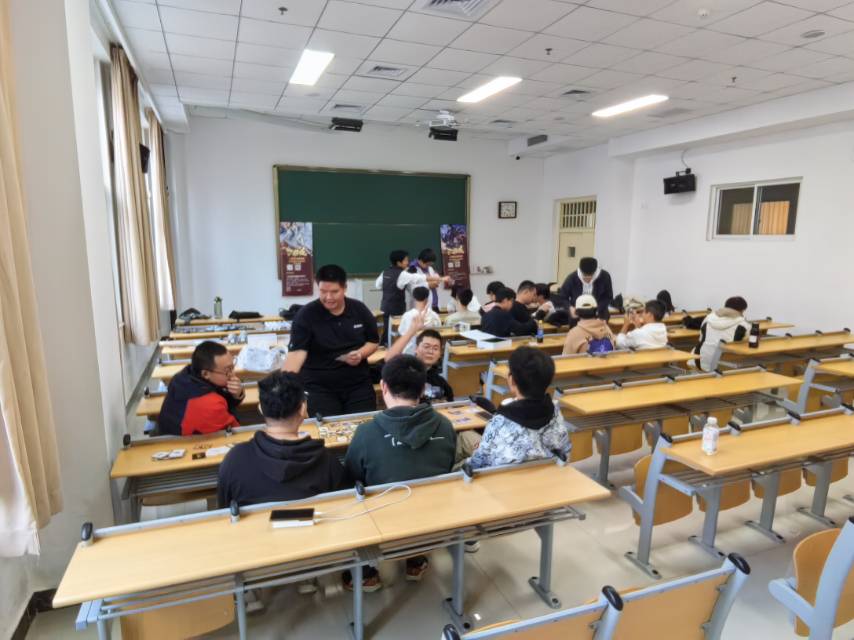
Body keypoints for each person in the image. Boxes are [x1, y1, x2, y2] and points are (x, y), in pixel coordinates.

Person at [344, 355, 457, 589]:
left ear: (383, 387)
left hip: (382, 528)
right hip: (434, 523)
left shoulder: (366, 433)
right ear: (423, 389)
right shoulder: (445, 426)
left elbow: (351, 480)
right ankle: (416, 559)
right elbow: (446, 467)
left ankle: (365, 572)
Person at [217, 371, 345, 508]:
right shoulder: (326, 461)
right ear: (303, 408)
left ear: (261, 409)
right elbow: (345, 505)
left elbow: (224, 510)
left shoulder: (235, 459)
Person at [284, 264, 379, 416]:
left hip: (358, 385)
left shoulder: (359, 309)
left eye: (334, 292)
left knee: (363, 425)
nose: (328, 297)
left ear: (345, 288)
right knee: (326, 428)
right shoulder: (306, 315)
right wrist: (283, 388)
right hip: (319, 388)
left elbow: (373, 342)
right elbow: (296, 355)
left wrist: (360, 354)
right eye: (323, 291)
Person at [469, 347, 570, 469]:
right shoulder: (555, 412)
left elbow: (477, 464)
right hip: (547, 475)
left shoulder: (499, 421)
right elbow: (565, 451)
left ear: (512, 381)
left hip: (501, 478)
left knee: (465, 443)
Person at [159, 341, 245, 436]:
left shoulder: (185, 374)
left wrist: (236, 395)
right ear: (205, 374)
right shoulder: (209, 404)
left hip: (169, 431)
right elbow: (235, 431)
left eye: (233, 366)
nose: (233, 374)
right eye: (227, 370)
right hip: (185, 442)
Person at [375, 250, 440, 346]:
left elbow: (378, 285)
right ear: (399, 262)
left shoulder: (385, 272)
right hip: (397, 309)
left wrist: (390, 288)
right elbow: (417, 278)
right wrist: (437, 278)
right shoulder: (402, 274)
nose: (408, 262)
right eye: (406, 260)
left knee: (386, 331)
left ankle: (385, 347)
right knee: (396, 333)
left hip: (385, 307)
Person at [388, 313, 454, 403]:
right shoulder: (406, 371)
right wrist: (411, 331)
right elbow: (389, 359)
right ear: (416, 348)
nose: (430, 351)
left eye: (435, 348)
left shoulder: (441, 383)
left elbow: (450, 405)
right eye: (426, 346)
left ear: (440, 354)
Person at [695, 297, 750, 371]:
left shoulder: (708, 318)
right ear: (742, 310)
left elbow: (701, 339)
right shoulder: (744, 325)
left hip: (700, 359)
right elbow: (747, 345)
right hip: (725, 365)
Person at [397, 286, 441, 355]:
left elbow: (401, 332)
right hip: (430, 350)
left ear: (414, 298)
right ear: (427, 298)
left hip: (410, 351)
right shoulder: (434, 315)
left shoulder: (407, 315)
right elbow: (439, 330)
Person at [408, 248, 448, 312]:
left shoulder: (430, 268)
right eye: (427, 264)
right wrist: (428, 285)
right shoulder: (412, 270)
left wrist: (437, 281)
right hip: (421, 306)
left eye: (430, 264)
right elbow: (412, 288)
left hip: (434, 304)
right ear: (421, 261)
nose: (428, 266)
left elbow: (435, 277)